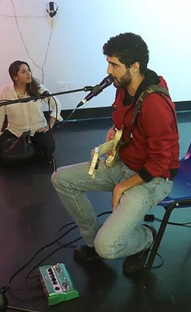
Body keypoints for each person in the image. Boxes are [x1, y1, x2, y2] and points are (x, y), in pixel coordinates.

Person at [51, 33, 179, 275]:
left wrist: (121, 187)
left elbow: (160, 163)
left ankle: (145, 237)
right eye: (108, 63)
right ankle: (93, 239)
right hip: (122, 163)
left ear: (135, 66)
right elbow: (123, 121)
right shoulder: (124, 87)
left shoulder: (155, 104)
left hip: (152, 179)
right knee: (61, 179)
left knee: (107, 249)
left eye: (114, 65)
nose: (108, 70)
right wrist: (115, 131)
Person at [0, 60, 62, 165]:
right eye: (24, 72)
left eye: (29, 70)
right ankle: (28, 152)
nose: (29, 74)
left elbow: (56, 104)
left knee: (49, 148)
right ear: (15, 77)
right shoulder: (6, 91)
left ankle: (25, 153)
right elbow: (0, 114)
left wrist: (50, 125)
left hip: (37, 129)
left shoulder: (38, 88)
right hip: (15, 131)